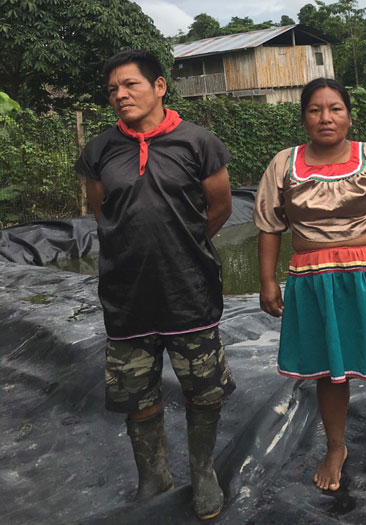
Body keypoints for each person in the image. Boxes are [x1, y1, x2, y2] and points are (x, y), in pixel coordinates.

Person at [75, 49, 235, 520]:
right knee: (137, 393)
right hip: (126, 296)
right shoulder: (101, 149)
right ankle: (154, 475)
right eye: (112, 90)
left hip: (190, 288)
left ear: (159, 86)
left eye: (130, 85)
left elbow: (220, 206)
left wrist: (182, 244)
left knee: (202, 389)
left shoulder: (198, 142)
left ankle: (202, 470)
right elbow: (103, 212)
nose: (120, 95)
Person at [254, 77, 366, 497]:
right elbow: (269, 225)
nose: (325, 117)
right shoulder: (284, 163)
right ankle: (335, 448)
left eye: (335, 108)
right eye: (315, 110)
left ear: (349, 116)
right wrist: (266, 280)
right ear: (303, 119)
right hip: (312, 280)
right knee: (329, 371)